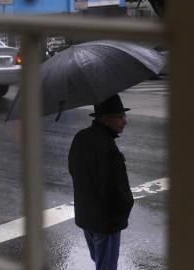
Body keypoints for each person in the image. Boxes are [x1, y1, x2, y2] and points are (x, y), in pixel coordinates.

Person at [68, 94, 134, 270]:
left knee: (99, 261)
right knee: (107, 266)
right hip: (106, 222)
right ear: (105, 119)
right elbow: (117, 188)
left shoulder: (80, 137)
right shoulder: (108, 147)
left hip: (86, 217)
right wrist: (125, 206)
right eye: (120, 117)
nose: (124, 121)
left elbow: (73, 171)